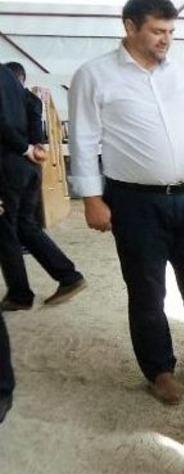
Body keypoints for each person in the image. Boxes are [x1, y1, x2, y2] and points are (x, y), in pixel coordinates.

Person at [68, 0, 184, 405]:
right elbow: (83, 139)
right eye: (157, 31)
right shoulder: (95, 76)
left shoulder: (183, 71)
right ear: (130, 26)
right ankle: (159, 369)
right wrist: (92, 198)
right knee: (147, 290)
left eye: (171, 32)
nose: (167, 40)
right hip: (134, 202)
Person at [0, 61, 86, 312]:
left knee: (5, 231)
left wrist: (24, 147)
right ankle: (69, 276)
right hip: (28, 166)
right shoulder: (8, 76)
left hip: (7, 165)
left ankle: (19, 294)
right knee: (26, 225)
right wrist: (36, 144)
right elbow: (33, 103)